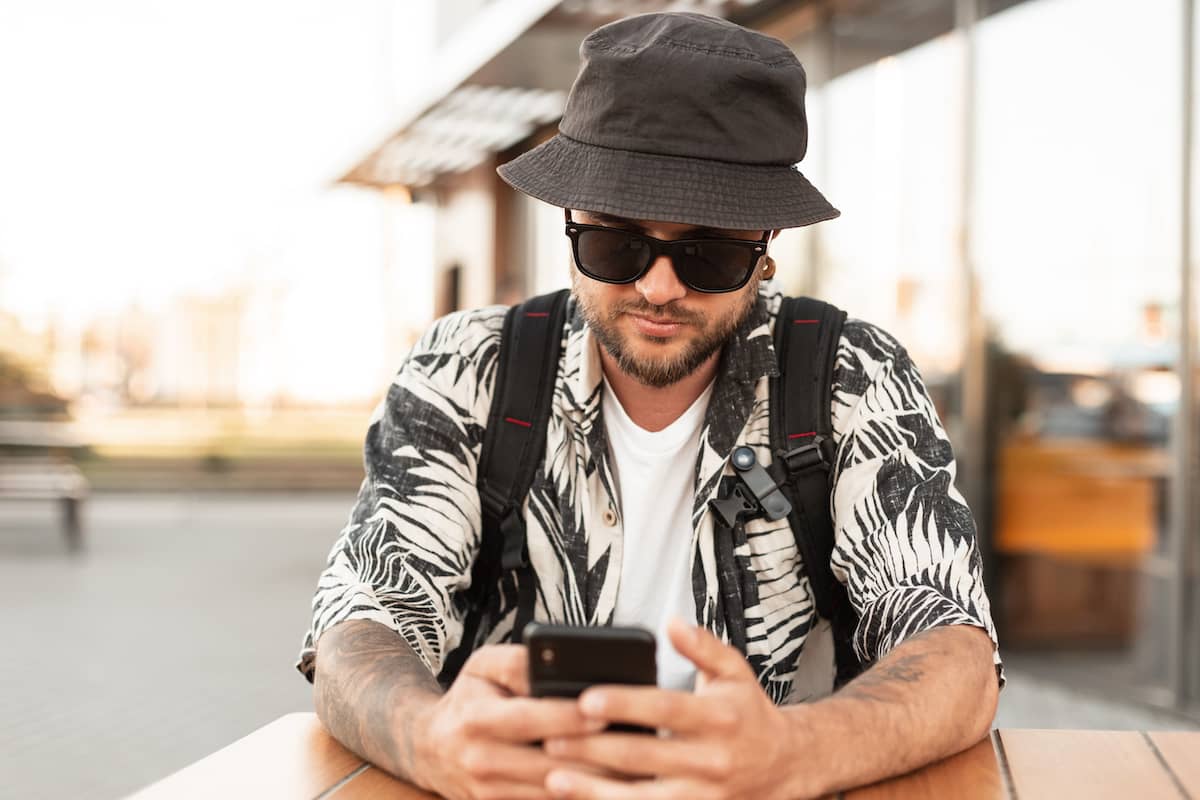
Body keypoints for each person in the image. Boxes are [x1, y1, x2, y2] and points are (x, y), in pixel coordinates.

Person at [298, 11, 1002, 800]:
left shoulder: (851, 373)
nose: (659, 287)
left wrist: (792, 753)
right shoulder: (467, 366)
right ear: (569, 227)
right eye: (617, 246)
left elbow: (954, 651)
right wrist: (434, 741)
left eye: (709, 255)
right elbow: (361, 623)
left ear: (765, 251)